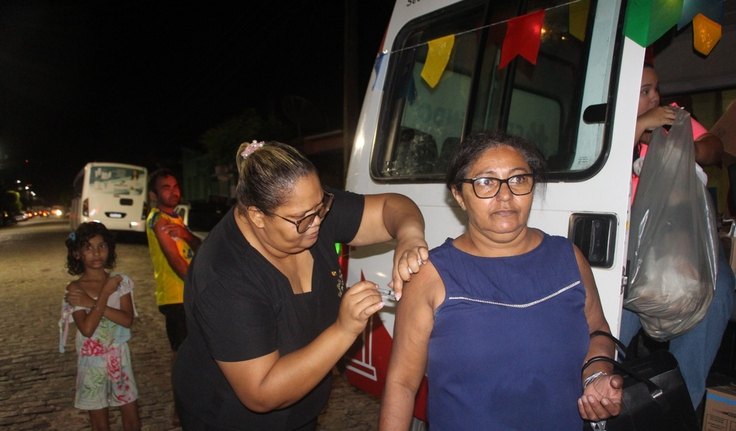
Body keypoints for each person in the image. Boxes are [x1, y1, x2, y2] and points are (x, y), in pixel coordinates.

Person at [172, 140, 429, 430]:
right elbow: (262, 393)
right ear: (257, 215)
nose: (318, 222)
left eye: (321, 206)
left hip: (300, 413)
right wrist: (344, 329)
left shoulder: (308, 210)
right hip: (230, 419)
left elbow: (392, 207)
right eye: (303, 218)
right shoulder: (226, 277)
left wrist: (409, 236)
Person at [379, 131, 623, 430]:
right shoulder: (432, 275)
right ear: (459, 194)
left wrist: (596, 375)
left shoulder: (569, 258)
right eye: (485, 182)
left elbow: (598, 330)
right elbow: (402, 383)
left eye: (518, 179)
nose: (505, 195)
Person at [619, 63, 735, 409]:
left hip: (682, 246)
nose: (655, 97)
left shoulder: (673, 121)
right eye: (644, 91)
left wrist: (681, 149)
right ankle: (598, 391)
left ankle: (681, 405)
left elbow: (714, 147)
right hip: (628, 254)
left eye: (656, 89)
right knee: (610, 331)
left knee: (718, 291)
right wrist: (639, 128)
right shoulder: (611, 131)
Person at [59, 222, 140, 431]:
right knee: (98, 418)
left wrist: (92, 303)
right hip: (91, 360)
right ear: (77, 254)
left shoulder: (121, 283)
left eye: (102, 246)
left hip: (119, 356)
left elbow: (127, 320)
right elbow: (87, 328)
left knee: (130, 411)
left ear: (110, 249)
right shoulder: (75, 288)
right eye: (88, 247)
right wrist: (103, 295)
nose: (96, 253)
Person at [145, 168, 201, 425]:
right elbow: (176, 261)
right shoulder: (158, 220)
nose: (174, 191)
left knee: (195, 353)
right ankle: (180, 412)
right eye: (166, 187)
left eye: (175, 185)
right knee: (181, 355)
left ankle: (192, 404)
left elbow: (198, 246)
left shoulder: (176, 218)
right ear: (154, 194)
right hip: (175, 297)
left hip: (186, 295)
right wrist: (201, 286)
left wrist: (187, 234)